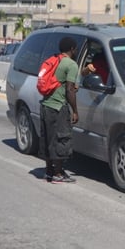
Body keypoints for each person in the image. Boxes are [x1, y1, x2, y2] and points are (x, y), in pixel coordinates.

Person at [40, 37, 79, 184]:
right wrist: (75, 110)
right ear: (72, 49)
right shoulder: (71, 64)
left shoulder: (54, 59)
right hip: (58, 107)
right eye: (75, 49)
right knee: (62, 139)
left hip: (45, 105)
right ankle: (57, 174)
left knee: (49, 140)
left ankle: (49, 172)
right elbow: (70, 90)